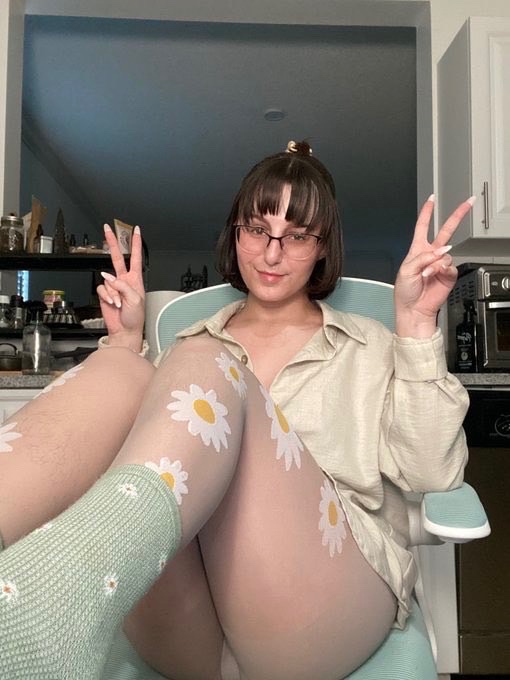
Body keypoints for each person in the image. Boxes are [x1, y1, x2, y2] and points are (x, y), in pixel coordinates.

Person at [0, 141, 472, 680]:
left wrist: (415, 325)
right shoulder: (186, 347)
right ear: (236, 232)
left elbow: (431, 471)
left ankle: (59, 592)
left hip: (320, 606)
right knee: (125, 369)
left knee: (206, 361)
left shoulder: (369, 346)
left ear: (322, 247)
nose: (271, 254)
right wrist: (127, 345)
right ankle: (27, 595)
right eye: (257, 230)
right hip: (195, 631)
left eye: (297, 236)